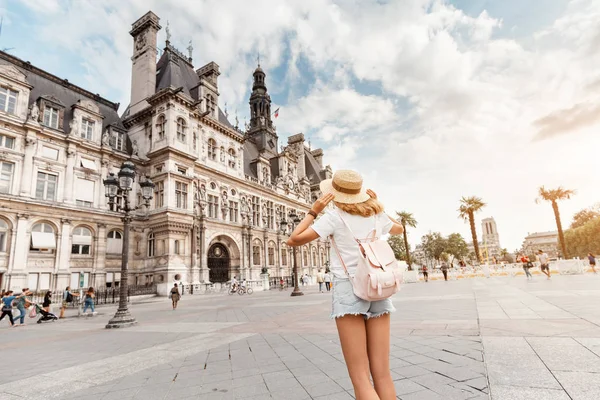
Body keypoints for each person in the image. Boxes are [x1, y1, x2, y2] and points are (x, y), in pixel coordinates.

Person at [286, 170, 405, 399]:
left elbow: (294, 239)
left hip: (348, 289)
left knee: (360, 377)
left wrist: (314, 211)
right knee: (382, 374)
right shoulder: (377, 215)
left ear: (334, 194)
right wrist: (378, 205)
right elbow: (399, 228)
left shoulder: (333, 216)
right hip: (378, 286)